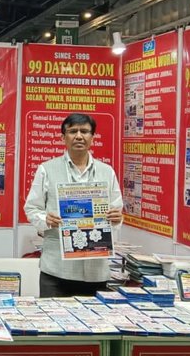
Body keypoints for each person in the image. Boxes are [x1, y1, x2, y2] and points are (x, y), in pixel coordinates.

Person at [23, 112, 123, 297]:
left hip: (95, 270)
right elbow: (31, 208)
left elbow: (116, 211)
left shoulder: (107, 172)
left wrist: (116, 218)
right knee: (52, 316)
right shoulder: (46, 169)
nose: (78, 136)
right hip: (57, 270)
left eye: (84, 131)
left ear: (92, 137)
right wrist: (46, 219)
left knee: (95, 317)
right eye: (72, 131)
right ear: (63, 137)